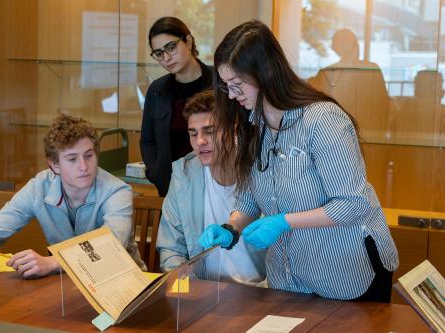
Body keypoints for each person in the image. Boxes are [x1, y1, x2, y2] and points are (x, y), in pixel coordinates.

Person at [199, 20, 399, 301]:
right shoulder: (253, 126)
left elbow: (353, 204)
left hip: (346, 272)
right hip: (288, 277)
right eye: (227, 87)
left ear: (265, 73)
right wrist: (230, 228)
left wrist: (284, 222)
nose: (232, 95)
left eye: (238, 85)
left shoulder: (322, 120)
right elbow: (249, 200)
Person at [0, 114, 146, 278]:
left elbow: (111, 248)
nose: (84, 167)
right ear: (54, 165)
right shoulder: (39, 186)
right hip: (65, 286)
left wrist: (52, 262)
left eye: (89, 156)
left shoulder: (117, 191)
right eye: (72, 159)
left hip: (121, 283)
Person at [156, 90, 266, 286]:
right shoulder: (184, 174)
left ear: (233, 129)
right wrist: (190, 288)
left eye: (210, 131)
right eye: (193, 134)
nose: (200, 141)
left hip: (263, 291)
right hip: (204, 290)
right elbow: (171, 248)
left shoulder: (262, 168)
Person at [140, 16, 213, 197]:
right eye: (159, 53)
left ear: (188, 41)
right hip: (171, 185)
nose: (166, 58)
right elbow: (147, 140)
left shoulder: (220, 83)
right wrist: (155, 172)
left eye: (171, 47)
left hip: (215, 182)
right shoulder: (157, 90)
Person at [307, 28, 390, 142]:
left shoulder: (331, 71)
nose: (332, 46)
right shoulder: (330, 71)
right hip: (345, 133)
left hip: (363, 133)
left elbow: (382, 104)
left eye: (335, 43)